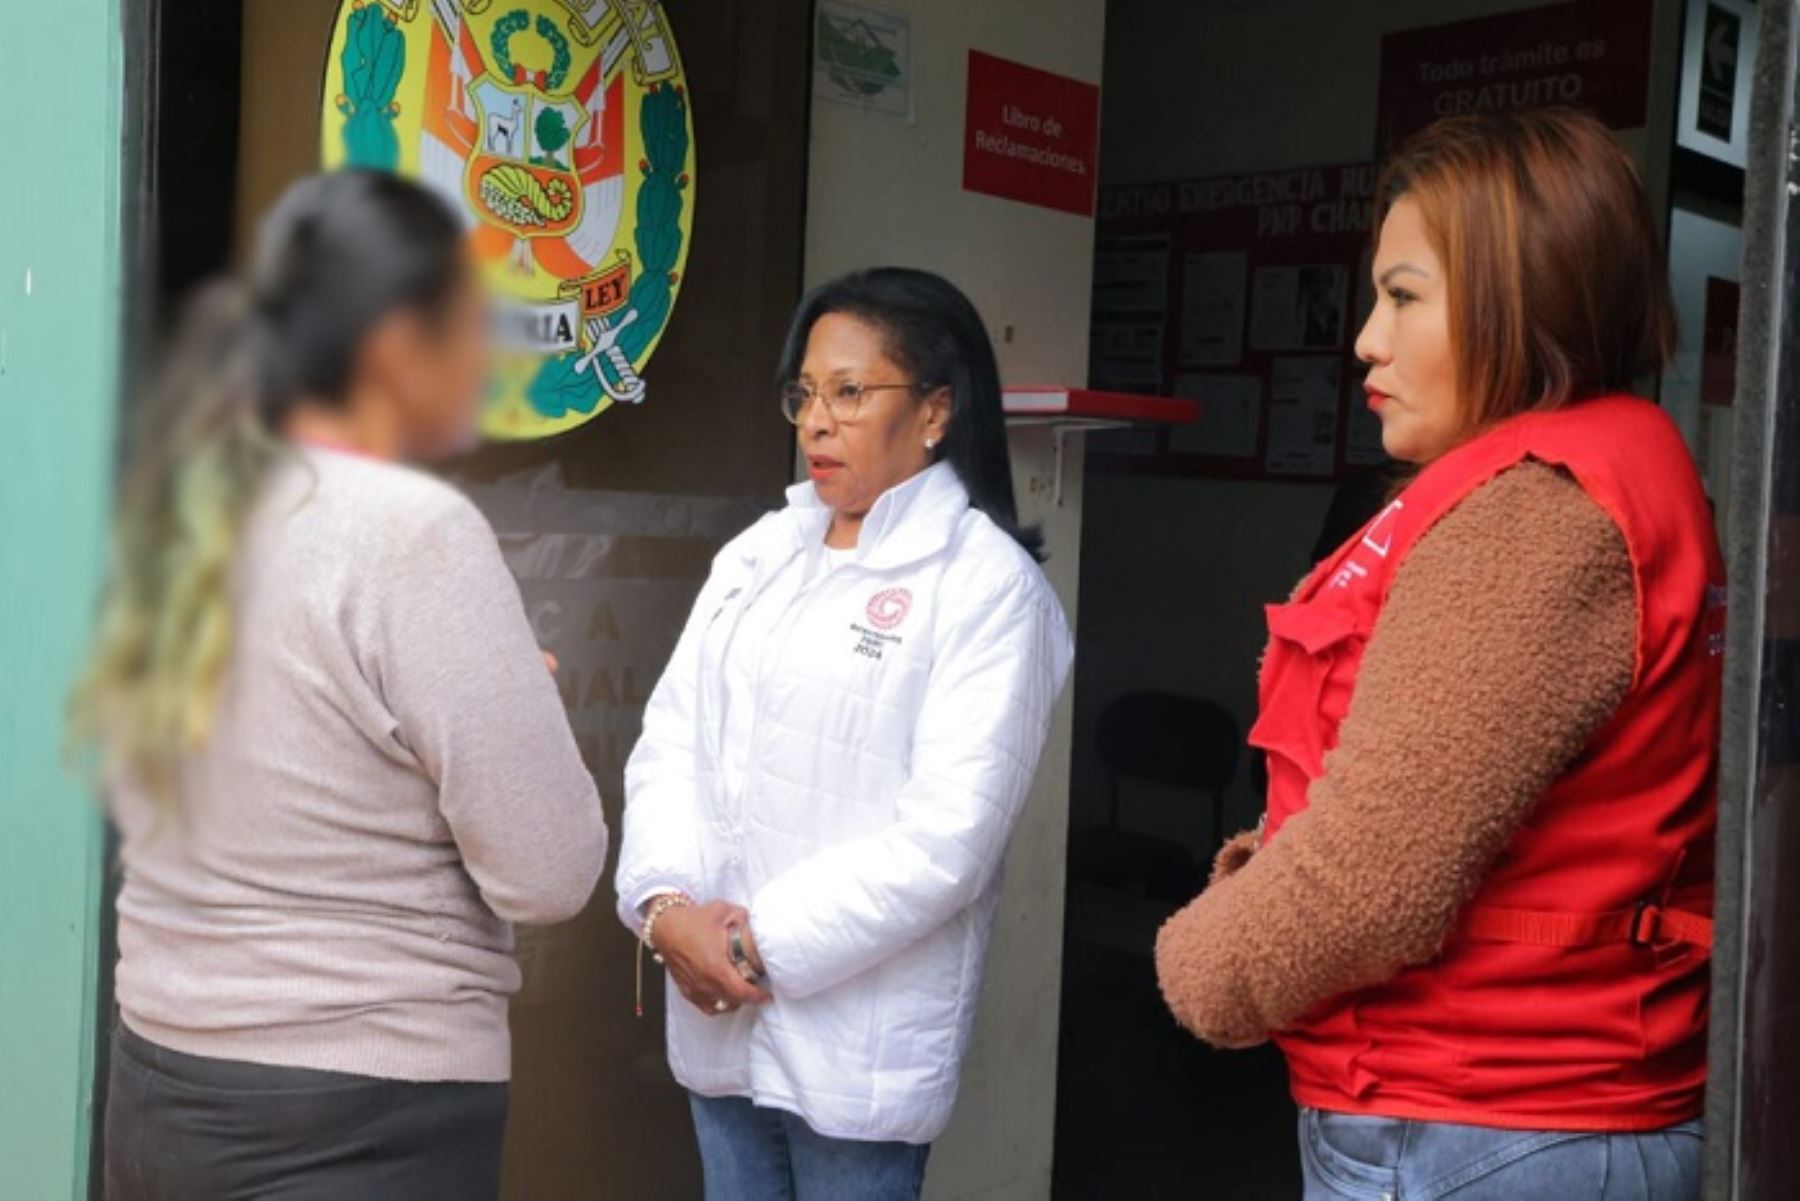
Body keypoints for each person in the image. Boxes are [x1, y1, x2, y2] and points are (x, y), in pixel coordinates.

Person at [1154, 109, 1722, 1200]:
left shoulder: (1535, 516)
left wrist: (1197, 967)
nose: (1367, 337)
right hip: (1516, 1121)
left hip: (1477, 1129)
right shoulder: (1597, 472)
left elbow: (1373, 884)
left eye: (1404, 296)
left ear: (1526, 295)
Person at [73, 171, 608, 1201]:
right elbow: (549, 869)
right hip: (361, 1115)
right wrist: (512, 713)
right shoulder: (415, 532)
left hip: (161, 1085)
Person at [615, 267, 1073, 1200]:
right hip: (715, 1015)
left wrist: (752, 948)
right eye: (805, 392)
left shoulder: (986, 587)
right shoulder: (758, 554)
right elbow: (670, 741)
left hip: (856, 1046)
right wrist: (665, 910)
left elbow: (949, 840)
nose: (815, 421)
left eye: (851, 392)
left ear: (937, 409)